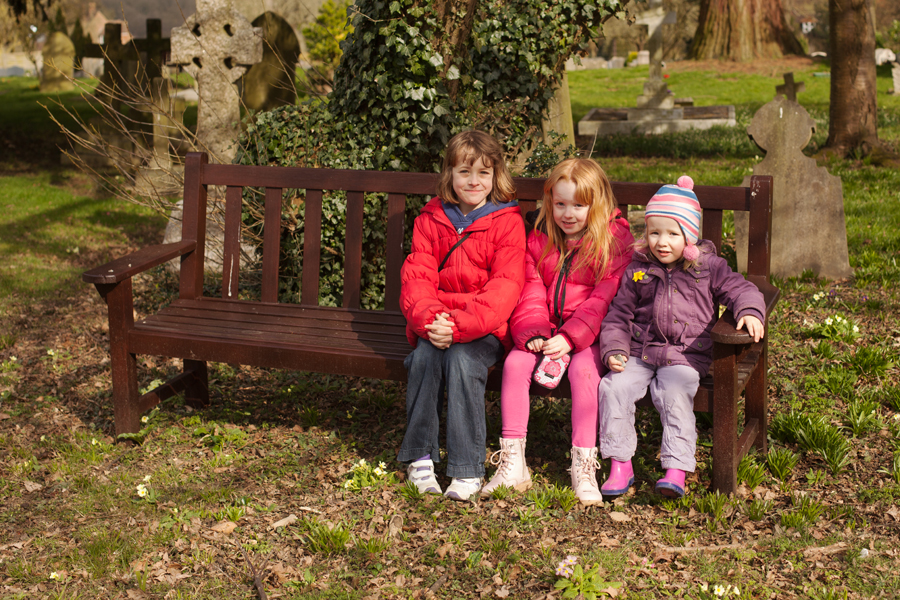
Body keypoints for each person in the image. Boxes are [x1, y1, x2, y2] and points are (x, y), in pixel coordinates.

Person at [597, 175, 766, 499]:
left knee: (673, 393)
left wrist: (748, 310)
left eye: (673, 234)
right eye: (654, 232)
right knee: (613, 387)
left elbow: (740, 288)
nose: (662, 242)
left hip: (686, 355)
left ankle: (676, 469)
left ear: (689, 236)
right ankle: (620, 465)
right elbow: (618, 313)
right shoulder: (638, 268)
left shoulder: (709, 267)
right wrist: (615, 348)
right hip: (640, 351)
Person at [480, 158, 634, 505]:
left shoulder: (614, 240)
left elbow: (605, 296)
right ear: (549, 201)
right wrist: (534, 329)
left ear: (597, 204)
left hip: (593, 334)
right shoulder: (540, 234)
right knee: (515, 364)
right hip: (546, 327)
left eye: (578, 205)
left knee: (583, 371)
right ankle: (513, 463)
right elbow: (531, 285)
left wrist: (570, 337)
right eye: (560, 204)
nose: (568, 214)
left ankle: (584, 464)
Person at [397, 130, 526, 501]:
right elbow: (417, 278)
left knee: (462, 360)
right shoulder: (431, 219)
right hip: (436, 323)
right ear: (449, 174)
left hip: (483, 329)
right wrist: (431, 322)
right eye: (464, 172)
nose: (474, 181)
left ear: (496, 176)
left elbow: (504, 288)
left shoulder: (507, 222)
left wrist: (458, 327)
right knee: (424, 357)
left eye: (483, 173)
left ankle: (467, 469)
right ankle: (420, 458)